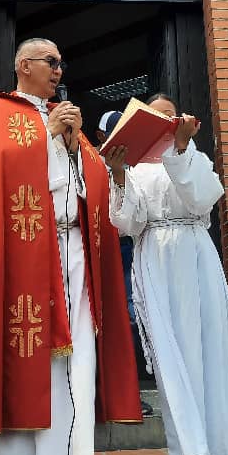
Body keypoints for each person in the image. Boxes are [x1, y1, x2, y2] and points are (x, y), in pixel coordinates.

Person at [0, 38, 141, 455]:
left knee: (74, 369)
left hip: (73, 257)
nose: (58, 71)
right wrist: (48, 136)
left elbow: (92, 187)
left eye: (61, 63)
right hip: (23, 260)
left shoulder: (67, 121)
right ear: (23, 65)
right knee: (23, 368)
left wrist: (82, 154)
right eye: (50, 62)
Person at [103, 93, 228, 455]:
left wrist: (180, 149)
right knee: (171, 358)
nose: (166, 120)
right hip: (157, 263)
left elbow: (202, 201)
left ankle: (212, 450)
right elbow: (129, 224)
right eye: (156, 116)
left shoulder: (197, 159)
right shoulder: (136, 169)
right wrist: (118, 175)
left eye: (171, 114)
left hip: (197, 259)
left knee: (210, 352)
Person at [97, 109, 153, 418]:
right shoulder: (88, 162)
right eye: (114, 134)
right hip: (100, 251)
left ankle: (131, 392)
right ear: (101, 136)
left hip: (130, 249)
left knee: (131, 317)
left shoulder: (138, 168)